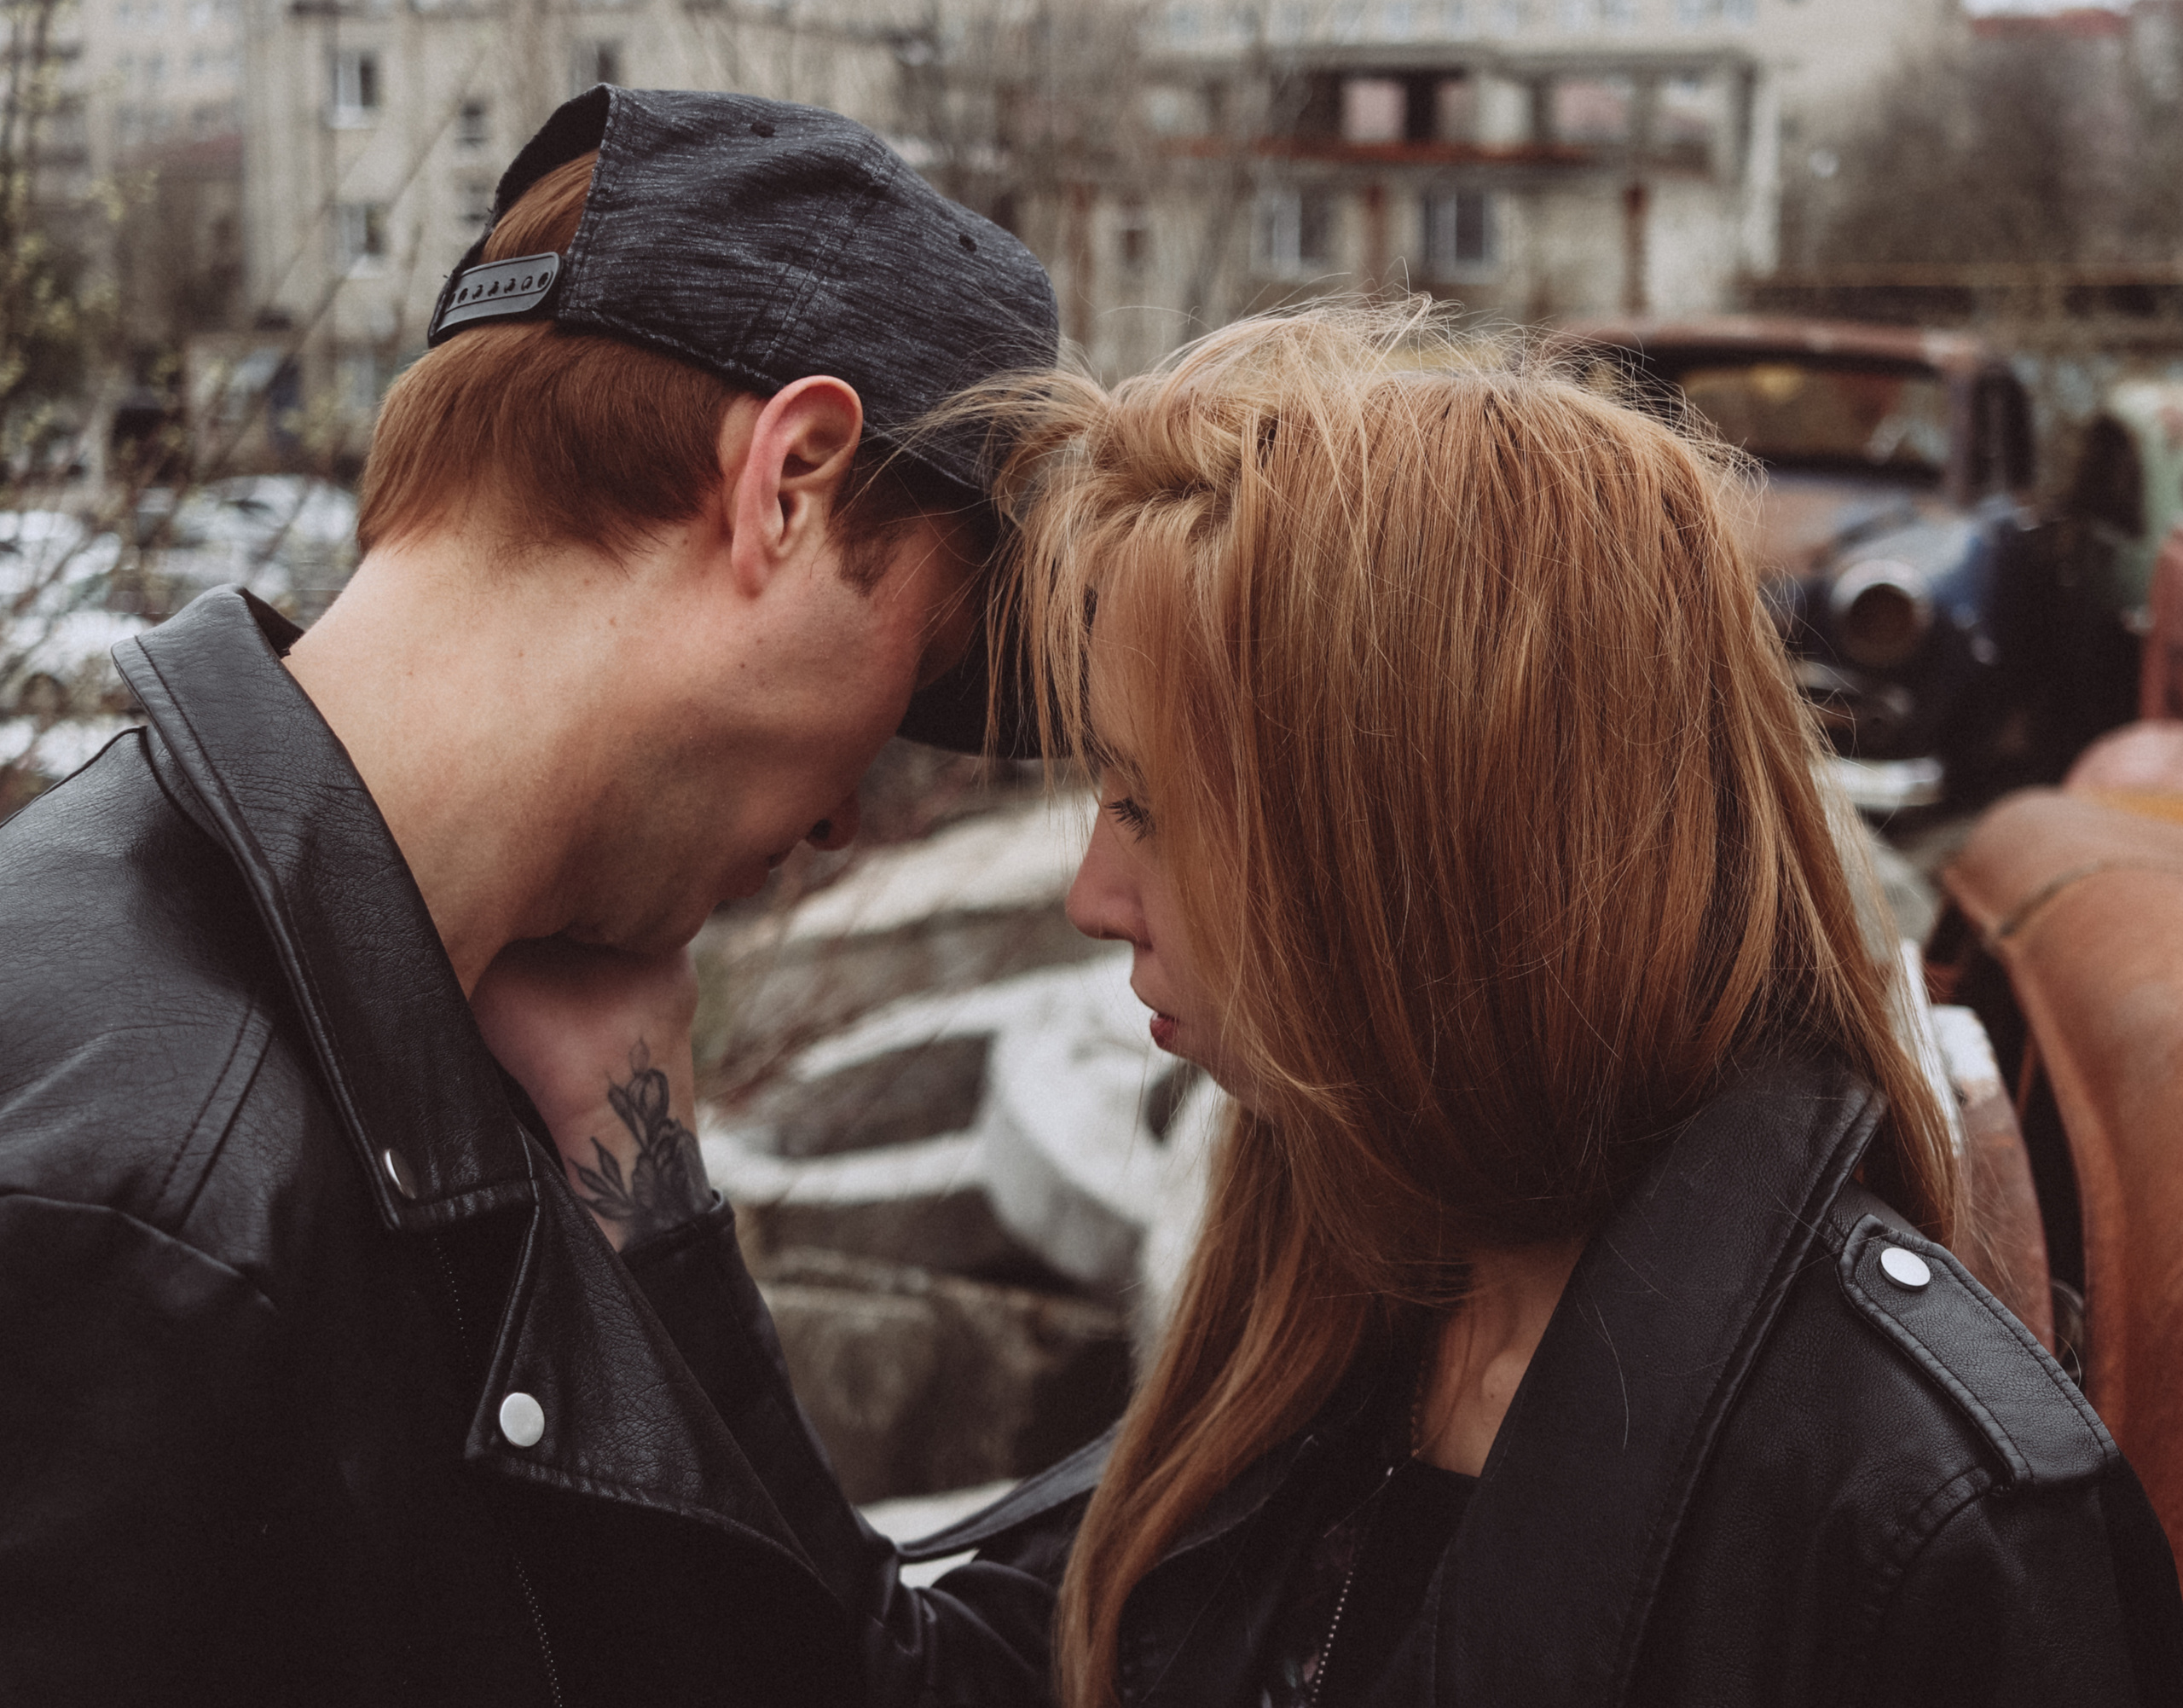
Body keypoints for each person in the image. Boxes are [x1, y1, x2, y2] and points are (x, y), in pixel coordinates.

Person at [492, 305, 2183, 1708]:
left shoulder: (1930, 1524)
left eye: (1146, 805)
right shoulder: (1348, 1292)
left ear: (1404, 855)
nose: (1092, 894)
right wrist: (640, 1179)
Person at [0, 86, 1055, 1702]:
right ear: (792, 479)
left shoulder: (357, 1049)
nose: (851, 816)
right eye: (923, 665)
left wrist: (647, 1194)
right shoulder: (160, 1201)